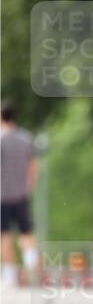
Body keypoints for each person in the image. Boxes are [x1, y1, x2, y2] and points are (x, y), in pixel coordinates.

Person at [1, 101, 39, 286]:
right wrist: (29, 186)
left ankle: (9, 273)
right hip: (21, 195)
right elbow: (32, 166)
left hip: (3, 196)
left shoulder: (1, 140)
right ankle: (31, 268)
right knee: (26, 234)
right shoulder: (25, 139)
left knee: (5, 235)